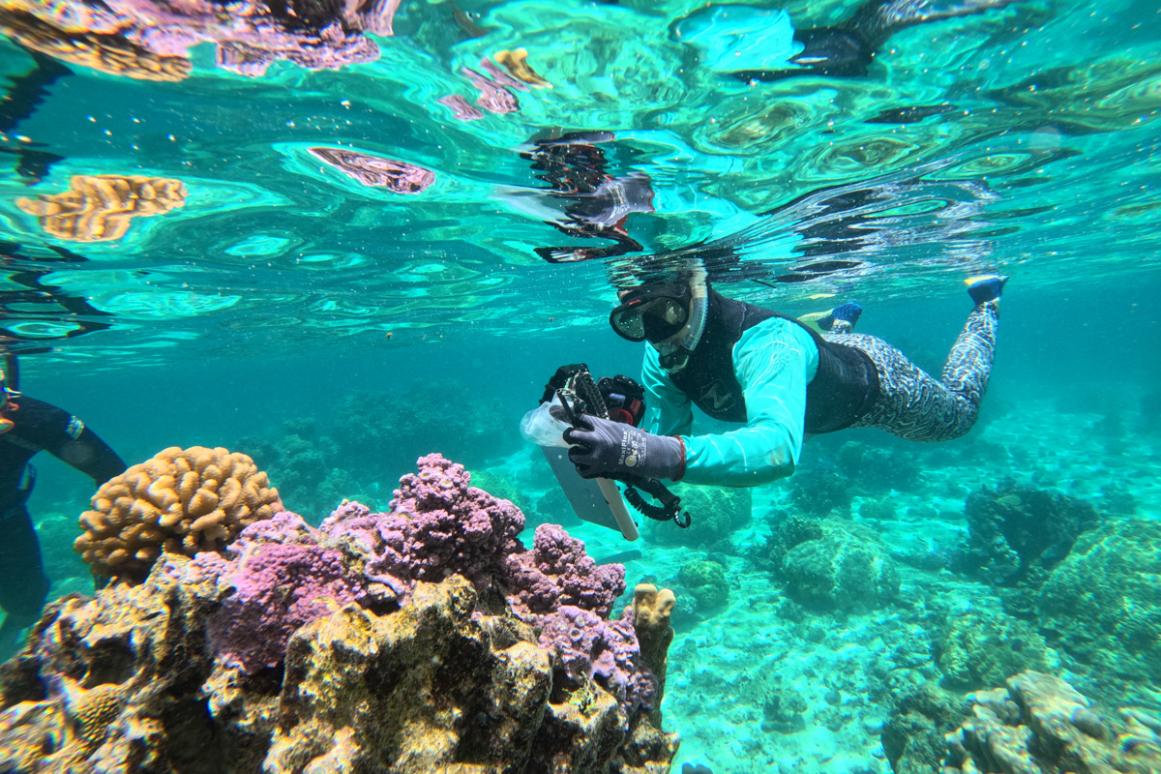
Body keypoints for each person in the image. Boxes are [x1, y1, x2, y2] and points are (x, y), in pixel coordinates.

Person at [564, 264, 1006, 487]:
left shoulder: (767, 342)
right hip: (814, 366)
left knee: (960, 416)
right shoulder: (660, 349)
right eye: (636, 322)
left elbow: (778, 448)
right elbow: (668, 434)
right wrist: (617, 431)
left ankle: (986, 303)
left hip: (882, 386)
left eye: (664, 313)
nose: (656, 337)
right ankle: (839, 325)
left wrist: (645, 452)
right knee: (810, 375)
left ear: (692, 291)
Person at [0, 358, 126, 654]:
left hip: (5, 518)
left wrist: (111, 562)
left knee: (26, 606)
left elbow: (115, 477)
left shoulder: (33, 419)